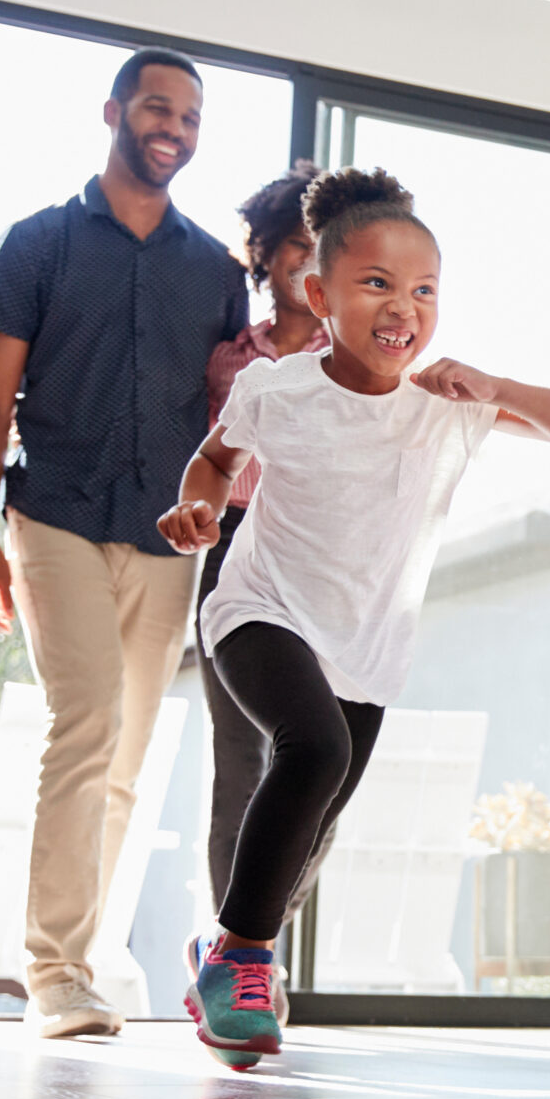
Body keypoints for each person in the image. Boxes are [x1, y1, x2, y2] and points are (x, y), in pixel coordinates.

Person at [157, 168, 550, 1068]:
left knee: (315, 822)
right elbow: (214, 460)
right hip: (256, 608)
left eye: (424, 289)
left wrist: (493, 380)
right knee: (311, 750)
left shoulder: (448, 406)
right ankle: (245, 958)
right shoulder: (278, 390)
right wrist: (197, 507)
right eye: (376, 284)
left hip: (364, 648)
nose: (404, 306)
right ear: (318, 294)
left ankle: (225, 946)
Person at [0, 47, 249, 1039]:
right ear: (114, 113)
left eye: (191, 117)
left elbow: (227, 416)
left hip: (166, 537)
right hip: (54, 515)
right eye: (157, 108)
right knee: (84, 723)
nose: (173, 128)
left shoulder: (217, 270)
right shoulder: (36, 245)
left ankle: (86, 957)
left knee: (127, 756)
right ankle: (53, 973)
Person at [197, 163, 333, 958]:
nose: (306, 262)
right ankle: (242, 955)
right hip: (234, 559)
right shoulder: (228, 358)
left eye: (322, 250)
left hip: (318, 559)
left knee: (322, 771)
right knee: (238, 765)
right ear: (265, 254)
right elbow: (209, 462)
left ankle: (250, 936)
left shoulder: (349, 356)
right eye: (293, 247)